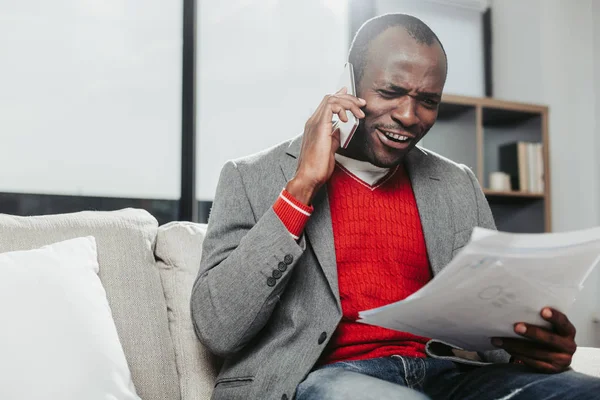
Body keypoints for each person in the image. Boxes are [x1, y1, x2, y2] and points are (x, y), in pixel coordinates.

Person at [191, 13, 600, 400]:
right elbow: (218, 326)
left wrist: (533, 344)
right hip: (329, 379)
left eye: (428, 101)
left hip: (451, 375)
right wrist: (303, 186)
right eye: (390, 92)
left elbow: (490, 324)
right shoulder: (251, 178)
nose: (409, 116)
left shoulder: (458, 184)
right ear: (347, 84)